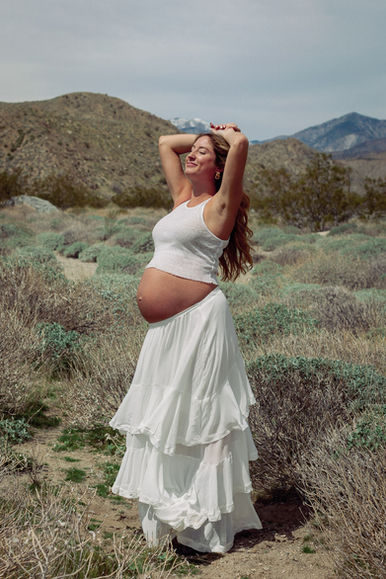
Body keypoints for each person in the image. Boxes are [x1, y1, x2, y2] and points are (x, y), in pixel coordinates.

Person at [109, 122, 262, 553]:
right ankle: (169, 509)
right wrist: (203, 137)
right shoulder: (182, 201)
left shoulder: (219, 206)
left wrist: (230, 137)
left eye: (201, 153)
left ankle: (203, 526)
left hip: (200, 323)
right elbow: (163, 143)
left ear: (219, 168)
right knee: (165, 418)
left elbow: (242, 147)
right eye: (190, 151)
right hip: (165, 330)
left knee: (206, 420)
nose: (189, 155)